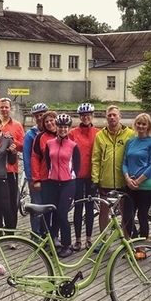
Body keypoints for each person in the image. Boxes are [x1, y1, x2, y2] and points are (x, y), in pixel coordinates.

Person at [35, 113, 80, 258]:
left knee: (62, 214)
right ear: (57, 127)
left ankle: (67, 244)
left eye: (65, 127)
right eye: (60, 126)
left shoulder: (73, 146)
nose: (62, 129)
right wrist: (52, 174)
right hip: (53, 183)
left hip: (68, 184)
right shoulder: (49, 144)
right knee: (51, 212)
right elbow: (47, 162)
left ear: (68, 128)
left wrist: (69, 175)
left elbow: (77, 166)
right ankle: (54, 241)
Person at [92, 105, 135, 234]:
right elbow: (96, 159)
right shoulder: (100, 135)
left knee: (125, 212)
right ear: (106, 117)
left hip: (123, 179)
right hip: (106, 180)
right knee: (104, 211)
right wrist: (95, 179)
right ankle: (103, 239)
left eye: (114, 115)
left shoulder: (130, 134)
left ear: (120, 116)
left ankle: (127, 240)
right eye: (109, 115)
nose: (112, 117)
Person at [122, 113, 151, 239]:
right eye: (139, 123)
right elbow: (125, 162)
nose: (141, 126)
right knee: (127, 216)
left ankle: (142, 246)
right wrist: (127, 178)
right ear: (135, 124)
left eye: (144, 124)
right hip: (130, 184)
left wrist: (137, 181)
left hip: (146, 185)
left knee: (142, 215)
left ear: (148, 126)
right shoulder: (130, 141)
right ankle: (135, 240)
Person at [69, 103, 98, 251]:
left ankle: (89, 238)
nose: (86, 117)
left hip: (92, 175)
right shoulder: (73, 133)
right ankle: (78, 239)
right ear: (79, 117)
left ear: (92, 116)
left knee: (90, 207)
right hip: (78, 175)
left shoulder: (98, 133)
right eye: (83, 115)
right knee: (78, 207)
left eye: (88, 115)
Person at [0, 97, 25, 226]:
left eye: (6, 107)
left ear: (11, 109)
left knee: (12, 202)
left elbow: (23, 146)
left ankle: (11, 231)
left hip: (11, 170)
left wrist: (12, 141)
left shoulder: (17, 125)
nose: (4, 109)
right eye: (1, 107)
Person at [31, 110, 58, 240]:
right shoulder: (40, 138)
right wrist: (36, 179)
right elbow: (35, 159)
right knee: (46, 210)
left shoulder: (63, 134)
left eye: (51, 120)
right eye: (46, 121)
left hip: (60, 179)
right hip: (45, 178)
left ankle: (55, 236)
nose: (49, 123)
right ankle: (44, 236)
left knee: (58, 209)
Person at [23, 103, 48, 236]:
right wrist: (31, 179)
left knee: (48, 206)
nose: (39, 117)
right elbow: (27, 158)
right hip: (36, 177)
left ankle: (47, 233)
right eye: (37, 115)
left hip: (49, 177)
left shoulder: (51, 131)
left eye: (42, 115)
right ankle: (36, 234)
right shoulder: (30, 135)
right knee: (36, 206)